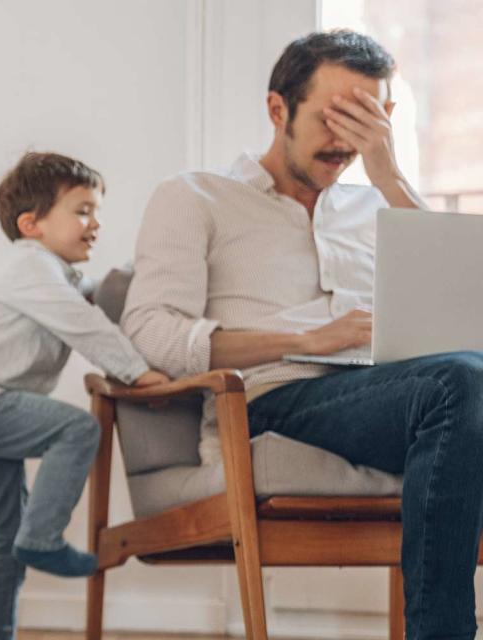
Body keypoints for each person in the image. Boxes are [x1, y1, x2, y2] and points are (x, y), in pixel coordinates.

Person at [122, 30, 483, 639]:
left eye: (366, 117)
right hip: (271, 401)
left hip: (393, 395)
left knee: (464, 379)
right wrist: (310, 338)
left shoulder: (379, 207)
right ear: (277, 109)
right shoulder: (195, 197)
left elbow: (458, 308)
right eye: (334, 115)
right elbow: (153, 331)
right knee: (461, 382)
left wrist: (390, 175)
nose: (346, 138)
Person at [0, 152, 169, 639]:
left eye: (97, 211)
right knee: (77, 428)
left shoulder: (54, 274)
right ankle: (44, 538)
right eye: (82, 210)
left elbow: (100, 293)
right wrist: (141, 374)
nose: (95, 223)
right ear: (32, 224)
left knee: (5, 540)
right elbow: (88, 326)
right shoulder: (30, 267)